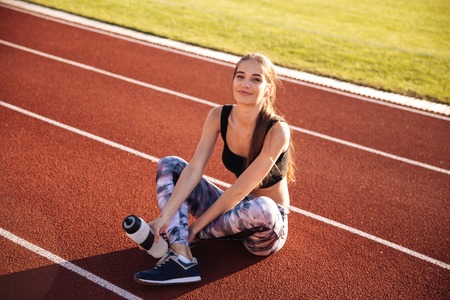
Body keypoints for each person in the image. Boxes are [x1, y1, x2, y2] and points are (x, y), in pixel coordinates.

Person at [134, 53, 295, 285]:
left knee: (264, 207)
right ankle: (181, 255)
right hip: (233, 212)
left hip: (265, 228)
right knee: (170, 164)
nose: (246, 84)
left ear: (268, 89)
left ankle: (180, 237)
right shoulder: (218, 116)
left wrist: (194, 229)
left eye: (256, 79)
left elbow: (239, 190)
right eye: (240, 76)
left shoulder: (277, 130)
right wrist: (164, 217)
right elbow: (193, 169)